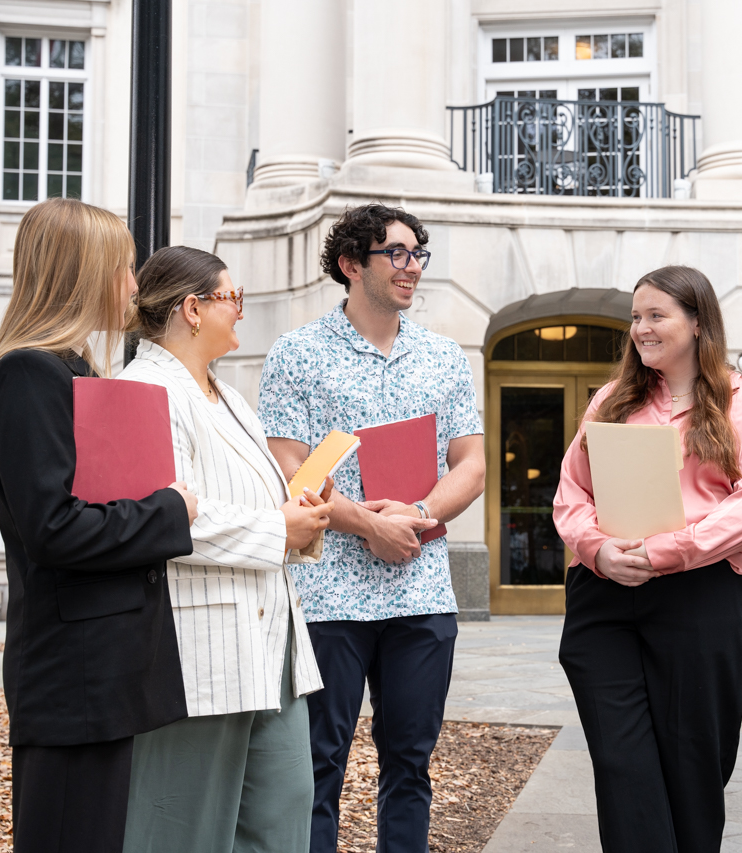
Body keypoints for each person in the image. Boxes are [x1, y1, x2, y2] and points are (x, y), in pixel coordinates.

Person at [0, 198, 199, 852]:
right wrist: (170, 510)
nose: (133, 284)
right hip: (74, 681)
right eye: (123, 268)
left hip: (98, 674)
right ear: (81, 273)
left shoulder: (70, 371)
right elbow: (55, 527)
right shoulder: (27, 373)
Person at [258, 203, 485, 853]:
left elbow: (470, 463)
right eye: (397, 253)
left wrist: (420, 515)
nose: (411, 267)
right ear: (351, 264)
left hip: (422, 591)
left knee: (410, 767)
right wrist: (365, 525)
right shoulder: (296, 354)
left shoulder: (443, 357)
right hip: (329, 593)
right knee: (317, 766)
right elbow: (289, 467)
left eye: (418, 254)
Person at [552, 265, 742, 853]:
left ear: (698, 322)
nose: (641, 328)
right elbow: (571, 493)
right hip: (603, 597)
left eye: (657, 315)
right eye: (636, 317)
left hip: (700, 597)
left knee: (693, 770)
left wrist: (665, 553)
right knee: (622, 765)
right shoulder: (611, 399)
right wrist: (599, 550)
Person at [118, 246, 335, 852]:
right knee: (182, 831)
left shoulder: (231, 397)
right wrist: (277, 529)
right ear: (193, 308)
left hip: (274, 649)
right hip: (198, 653)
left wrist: (304, 511)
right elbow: (166, 515)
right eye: (232, 298)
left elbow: (256, 503)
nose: (241, 310)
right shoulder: (143, 390)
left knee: (282, 822)